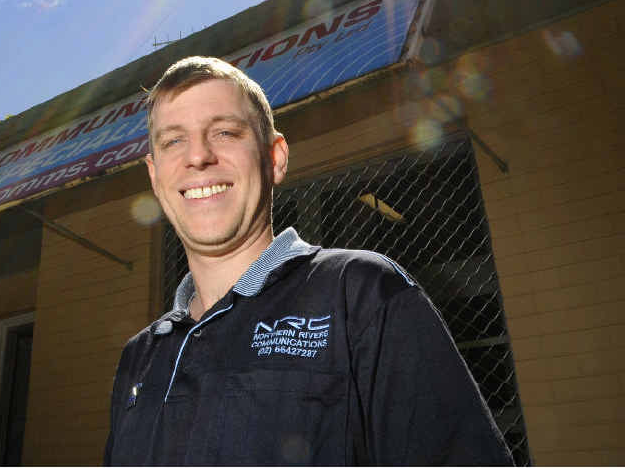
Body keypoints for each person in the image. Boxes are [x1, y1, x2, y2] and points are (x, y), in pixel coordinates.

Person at [104, 56, 513, 466]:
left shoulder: (361, 293)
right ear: (155, 177)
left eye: (225, 132)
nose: (198, 156)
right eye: (173, 140)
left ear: (275, 158)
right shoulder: (139, 356)